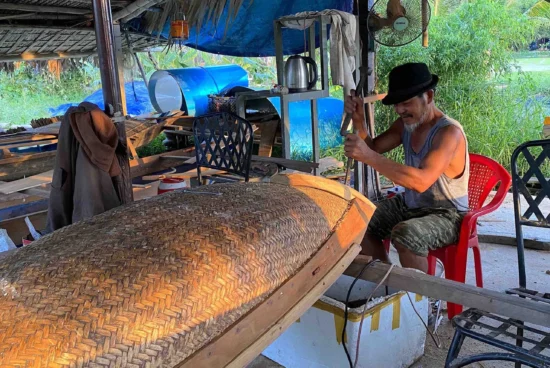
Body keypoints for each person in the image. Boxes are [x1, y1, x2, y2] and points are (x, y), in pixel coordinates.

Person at [344, 62, 469, 273]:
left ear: (428, 97)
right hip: (410, 205)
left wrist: (368, 156)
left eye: (406, 103)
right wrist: (358, 120)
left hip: (447, 214)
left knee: (406, 235)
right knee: (356, 220)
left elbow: (421, 181)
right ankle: (385, 282)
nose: (399, 110)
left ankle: (421, 300)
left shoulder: (449, 133)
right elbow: (373, 147)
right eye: (396, 104)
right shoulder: (405, 125)